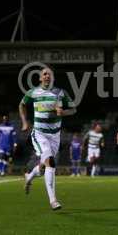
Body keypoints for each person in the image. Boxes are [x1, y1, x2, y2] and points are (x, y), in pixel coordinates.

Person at [19, 66, 76, 210]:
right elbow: (22, 105)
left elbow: (73, 109)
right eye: (44, 74)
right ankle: (53, 200)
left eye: (49, 74)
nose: (47, 76)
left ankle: (29, 177)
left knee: (44, 167)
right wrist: (25, 122)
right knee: (51, 162)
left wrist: (63, 112)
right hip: (39, 133)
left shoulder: (60, 93)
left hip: (55, 136)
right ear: (40, 78)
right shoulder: (33, 92)